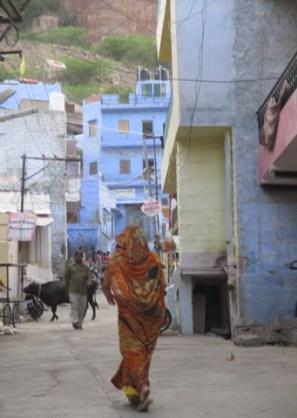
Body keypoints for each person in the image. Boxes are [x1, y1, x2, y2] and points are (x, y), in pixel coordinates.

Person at [102, 225, 165, 412]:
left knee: (132, 352)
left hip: (129, 317)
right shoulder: (153, 259)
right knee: (144, 354)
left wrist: (109, 297)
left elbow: (106, 285)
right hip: (153, 315)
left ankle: (142, 387)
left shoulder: (116, 262)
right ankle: (134, 392)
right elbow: (161, 285)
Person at [65, 249, 91, 330]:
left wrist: (88, 282)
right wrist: (66, 289)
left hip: (83, 291)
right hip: (73, 290)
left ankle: (79, 324)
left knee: (82, 308)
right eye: (77, 256)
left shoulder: (86, 267)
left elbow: (89, 277)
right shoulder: (70, 267)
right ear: (75, 256)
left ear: (82, 257)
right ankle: (75, 320)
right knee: (74, 306)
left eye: (80, 256)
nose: (79, 257)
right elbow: (66, 278)